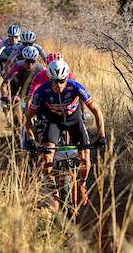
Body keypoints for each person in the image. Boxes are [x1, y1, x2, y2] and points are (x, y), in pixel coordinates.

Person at [24, 59, 106, 207]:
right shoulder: (42, 91)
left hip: (74, 120)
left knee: (85, 156)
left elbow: (96, 110)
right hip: (54, 121)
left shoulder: (75, 87)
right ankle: (54, 194)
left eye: (61, 81)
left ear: (67, 78)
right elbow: (28, 116)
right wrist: (30, 138)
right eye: (54, 81)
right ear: (49, 79)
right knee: (46, 157)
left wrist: (102, 136)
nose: (58, 85)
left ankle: (82, 185)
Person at [0, 45, 45, 132]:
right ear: (23, 59)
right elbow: (5, 83)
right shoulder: (17, 66)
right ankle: (16, 135)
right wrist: (4, 95)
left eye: (33, 61)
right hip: (17, 92)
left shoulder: (40, 68)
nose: (30, 64)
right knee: (16, 115)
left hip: (33, 93)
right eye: (27, 62)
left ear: (36, 60)